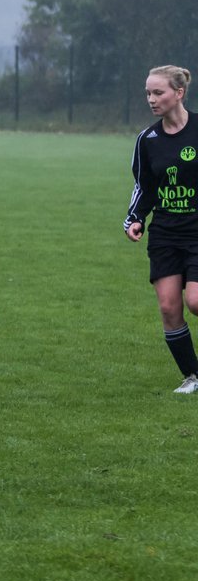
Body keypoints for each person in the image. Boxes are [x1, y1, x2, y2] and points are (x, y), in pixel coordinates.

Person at [125, 64, 198, 394]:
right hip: (166, 233)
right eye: (148, 93)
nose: (151, 99)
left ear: (178, 93)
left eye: (158, 92)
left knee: (195, 301)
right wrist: (135, 218)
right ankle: (193, 376)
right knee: (170, 307)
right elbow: (145, 186)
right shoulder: (148, 139)